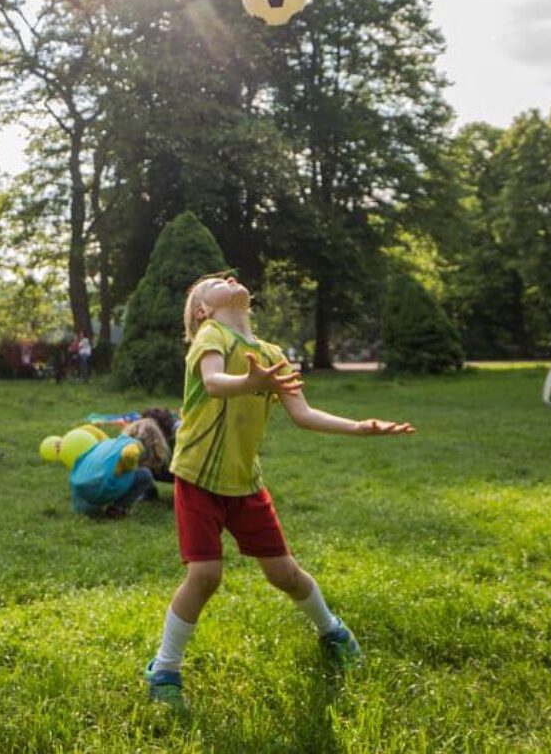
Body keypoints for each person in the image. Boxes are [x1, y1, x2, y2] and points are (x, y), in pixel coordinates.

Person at [144, 273, 415, 713]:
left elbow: (303, 414)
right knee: (206, 575)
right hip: (197, 476)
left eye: (230, 275)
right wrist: (254, 382)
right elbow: (214, 383)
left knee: (285, 574)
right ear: (202, 310)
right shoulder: (210, 336)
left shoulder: (271, 355)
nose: (229, 277)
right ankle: (165, 669)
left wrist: (360, 427)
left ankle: (333, 631)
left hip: (245, 483)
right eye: (215, 281)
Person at [69, 434, 158, 518]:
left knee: (91, 511)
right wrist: (131, 467)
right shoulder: (133, 446)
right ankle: (118, 508)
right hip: (101, 487)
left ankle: (88, 509)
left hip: (79, 486)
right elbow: (130, 454)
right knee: (145, 475)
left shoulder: (107, 444)